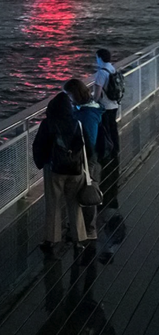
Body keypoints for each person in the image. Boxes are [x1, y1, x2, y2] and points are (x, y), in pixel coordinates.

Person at [32, 89, 87, 256]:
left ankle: (52, 239)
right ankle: (79, 240)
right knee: (74, 204)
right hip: (75, 169)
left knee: (53, 204)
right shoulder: (77, 123)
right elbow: (87, 145)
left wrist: (41, 163)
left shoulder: (48, 124)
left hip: (54, 169)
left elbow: (38, 146)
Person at [65, 78, 102, 249]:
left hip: (87, 158)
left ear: (76, 94)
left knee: (88, 191)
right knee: (84, 189)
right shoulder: (88, 110)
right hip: (86, 156)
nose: (68, 98)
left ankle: (89, 230)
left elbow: (89, 140)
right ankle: (82, 228)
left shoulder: (87, 115)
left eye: (69, 95)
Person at [93, 49, 120, 160]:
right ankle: (116, 149)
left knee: (105, 130)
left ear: (100, 58)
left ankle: (106, 152)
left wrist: (92, 102)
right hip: (114, 104)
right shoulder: (113, 69)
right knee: (113, 128)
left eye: (96, 58)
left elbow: (97, 94)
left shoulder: (101, 73)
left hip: (105, 106)